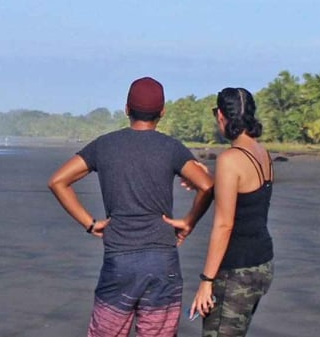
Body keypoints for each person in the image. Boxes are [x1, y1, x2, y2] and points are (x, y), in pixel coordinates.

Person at [49, 76, 214, 337]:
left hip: (120, 258)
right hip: (162, 259)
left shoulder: (105, 145)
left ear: (127, 109)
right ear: (162, 112)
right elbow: (206, 185)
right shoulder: (171, 148)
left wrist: (90, 223)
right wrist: (189, 221)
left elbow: (58, 181)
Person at [181, 87, 274, 337]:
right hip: (261, 265)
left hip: (236, 271)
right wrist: (209, 181)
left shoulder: (230, 159)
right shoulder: (261, 153)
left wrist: (206, 281)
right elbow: (246, 197)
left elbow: (225, 225)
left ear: (222, 116)